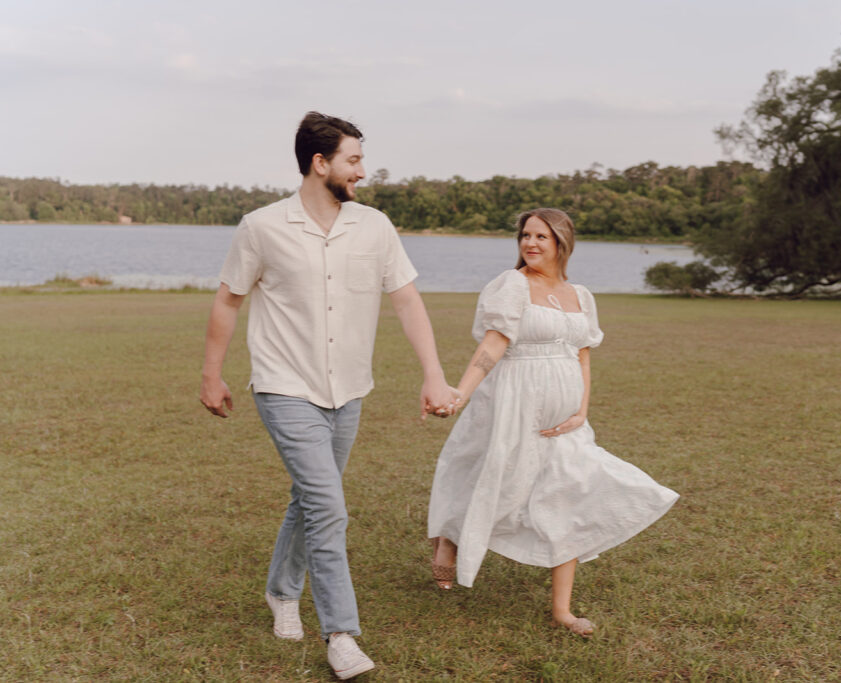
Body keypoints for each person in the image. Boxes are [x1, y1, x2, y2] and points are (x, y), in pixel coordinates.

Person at [200, 111, 459, 680]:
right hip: (284, 386)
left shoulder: (375, 227)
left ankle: (281, 591)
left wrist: (433, 374)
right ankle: (341, 634)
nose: (363, 171)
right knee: (328, 507)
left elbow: (409, 302)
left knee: (311, 499)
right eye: (354, 160)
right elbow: (228, 300)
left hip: (350, 392)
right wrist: (211, 375)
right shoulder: (261, 226)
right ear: (321, 164)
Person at [427, 208, 679, 637]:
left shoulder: (579, 294)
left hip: (565, 420)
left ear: (562, 242)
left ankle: (562, 609)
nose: (531, 243)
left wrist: (581, 410)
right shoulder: (513, 285)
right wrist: (460, 393)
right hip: (513, 404)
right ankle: (449, 538)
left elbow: (582, 354)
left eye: (541, 236)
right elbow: (494, 343)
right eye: (525, 235)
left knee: (570, 494)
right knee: (493, 480)